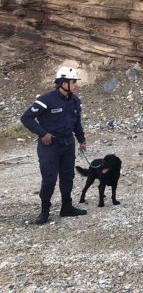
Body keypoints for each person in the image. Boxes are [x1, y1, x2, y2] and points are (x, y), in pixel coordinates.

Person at [21, 66, 88, 224]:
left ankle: (66, 207)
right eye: (73, 82)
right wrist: (42, 133)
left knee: (67, 176)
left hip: (68, 143)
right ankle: (44, 211)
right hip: (49, 146)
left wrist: (82, 140)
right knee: (49, 179)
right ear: (63, 83)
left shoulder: (75, 100)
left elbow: (77, 122)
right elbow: (27, 118)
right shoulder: (47, 99)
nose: (76, 85)